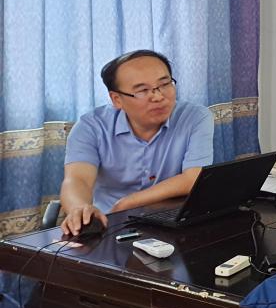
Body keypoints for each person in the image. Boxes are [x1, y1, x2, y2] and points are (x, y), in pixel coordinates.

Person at [59, 50, 214, 235]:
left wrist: (129, 202)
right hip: (112, 224)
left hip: (171, 220)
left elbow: (193, 178)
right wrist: (79, 208)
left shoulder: (195, 117)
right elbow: (77, 179)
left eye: (165, 84)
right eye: (142, 91)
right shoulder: (91, 126)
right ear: (117, 99)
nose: (158, 97)